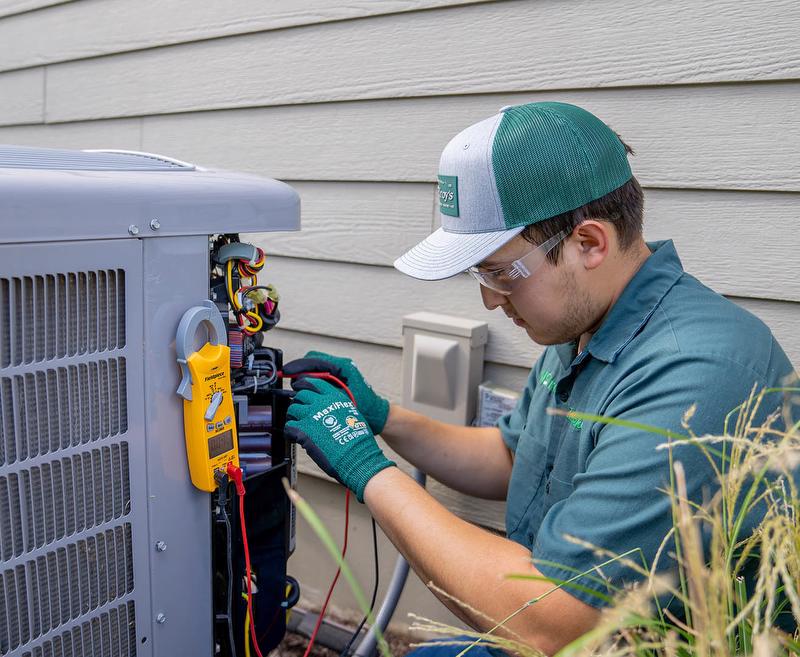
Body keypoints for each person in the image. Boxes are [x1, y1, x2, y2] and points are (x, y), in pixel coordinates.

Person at [283, 102, 798, 655]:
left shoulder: (692, 372)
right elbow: (513, 456)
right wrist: (385, 418)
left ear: (589, 244)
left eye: (500, 272)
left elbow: (547, 620)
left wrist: (367, 469)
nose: (488, 298)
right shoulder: (585, 323)